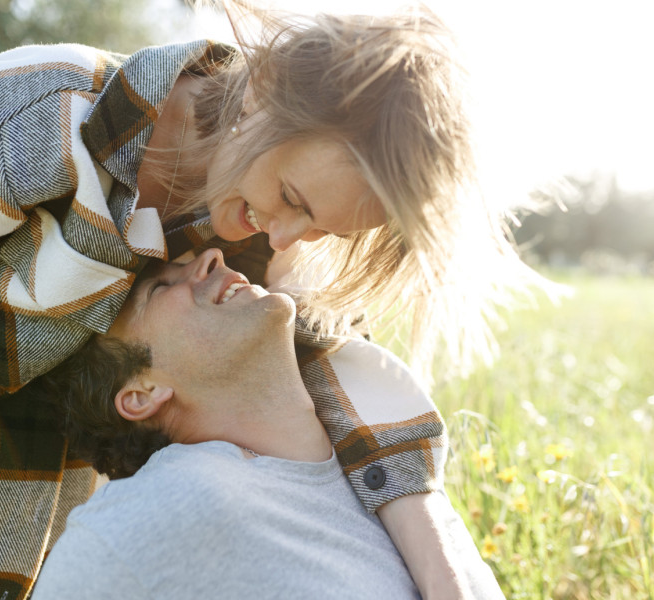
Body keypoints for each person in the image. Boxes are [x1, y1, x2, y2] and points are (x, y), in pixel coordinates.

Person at [0, 2, 535, 597]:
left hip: (47, 537)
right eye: (292, 198)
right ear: (265, 90)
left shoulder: (259, 238)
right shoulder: (37, 110)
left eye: (322, 226)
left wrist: (445, 579)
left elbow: (335, 383)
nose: (287, 237)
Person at [33, 248, 505, 599]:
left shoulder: (386, 444)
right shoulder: (146, 518)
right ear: (141, 394)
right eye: (160, 288)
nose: (211, 257)